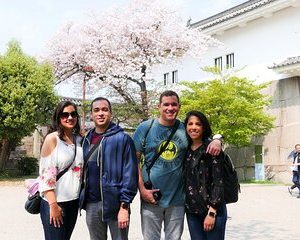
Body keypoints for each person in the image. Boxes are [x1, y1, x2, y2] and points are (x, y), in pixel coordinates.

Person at [132, 90, 222, 240]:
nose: (170, 108)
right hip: (151, 197)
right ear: (158, 106)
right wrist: (141, 189)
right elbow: (133, 160)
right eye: (166, 104)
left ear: (179, 106)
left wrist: (218, 140)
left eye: (174, 104)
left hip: (177, 200)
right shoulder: (145, 128)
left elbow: (203, 138)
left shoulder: (184, 128)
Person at [79, 97, 138, 240]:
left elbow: (130, 174)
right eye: (96, 110)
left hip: (116, 204)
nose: (100, 113)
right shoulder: (86, 140)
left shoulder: (122, 139)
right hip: (92, 204)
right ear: (91, 114)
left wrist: (124, 206)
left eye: (105, 110)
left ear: (111, 113)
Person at [38, 100, 83, 240]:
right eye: (65, 115)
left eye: (73, 114)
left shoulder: (79, 140)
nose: (69, 118)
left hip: (73, 201)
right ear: (58, 117)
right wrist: (53, 205)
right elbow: (46, 176)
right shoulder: (52, 139)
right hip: (55, 202)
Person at [184, 110, 227, 240]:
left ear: (204, 127)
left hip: (213, 211)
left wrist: (212, 213)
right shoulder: (185, 149)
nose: (193, 127)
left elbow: (219, 182)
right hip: (192, 211)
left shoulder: (212, 148)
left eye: (198, 124)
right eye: (190, 124)